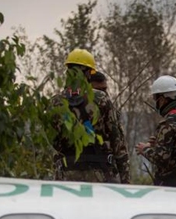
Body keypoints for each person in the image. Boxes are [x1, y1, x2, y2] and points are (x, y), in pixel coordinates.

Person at [52, 49, 129, 184]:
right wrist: (125, 180)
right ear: (87, 73)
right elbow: (117, 141)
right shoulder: (100, 98)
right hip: (99, 173)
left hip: (66, 174)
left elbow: (53, 142)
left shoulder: (56, 102)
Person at [135, 75, 176, 187]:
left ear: (161, 99)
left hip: (170, 182)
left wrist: (145, 149)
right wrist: (159, 144)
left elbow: (161, 159)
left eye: (155, 99)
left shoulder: (169, 121)